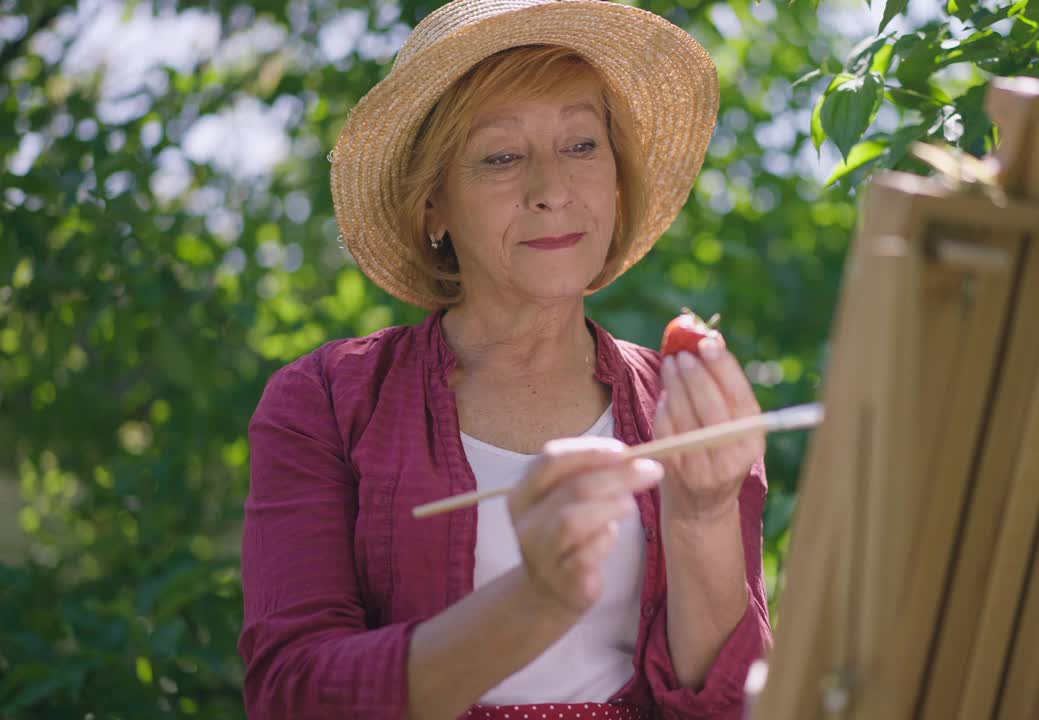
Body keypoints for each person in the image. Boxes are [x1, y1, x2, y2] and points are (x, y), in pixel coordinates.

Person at [238, 0, 772, 717]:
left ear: (617, 178)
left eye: (582, 145)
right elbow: (294, 693)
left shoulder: (684, 405)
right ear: (434, 207)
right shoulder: (328, 402)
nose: (552, 190)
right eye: (501, 157)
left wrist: (702, 513)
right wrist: (535, 602)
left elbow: (730, 707)